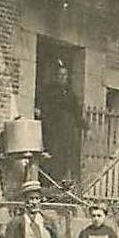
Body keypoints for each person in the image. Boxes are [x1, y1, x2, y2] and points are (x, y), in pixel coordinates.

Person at [37, 59, 87, 187]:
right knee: (52, 157)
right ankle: (48, 184)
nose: (62, 78)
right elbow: (42, 107)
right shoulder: (49, 92)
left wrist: (85, 127)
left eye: (65, 75)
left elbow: (76, 113)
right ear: (55, 77)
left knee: (65, 158)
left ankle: (62, 185)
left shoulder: (71, 94)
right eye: (60, 75)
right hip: (52, 130)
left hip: (67, 132)